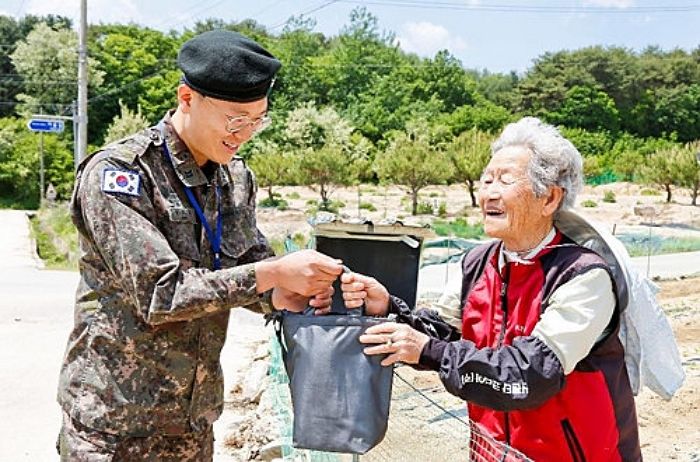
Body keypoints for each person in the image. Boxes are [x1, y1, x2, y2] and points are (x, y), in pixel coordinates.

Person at [57, 30, 343, 461]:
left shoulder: (234, 178)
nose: (245, 133)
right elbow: (160, 294)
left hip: (192, 422)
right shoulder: (122, 175)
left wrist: (293, 291)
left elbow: (249, 266)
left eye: (257, 120)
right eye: (235, 119)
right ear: (187, 98)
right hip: (113, 426)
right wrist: (272, 275)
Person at [341, 117, 642, 461]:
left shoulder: (582, 275)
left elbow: (531, 374)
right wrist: (387, 309)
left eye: (506, 180)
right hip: (493, 451)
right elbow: (442, 332)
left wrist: (427, 350)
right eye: (486, 179)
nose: (489, 193)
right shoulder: (476, 263)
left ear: (549, 199)